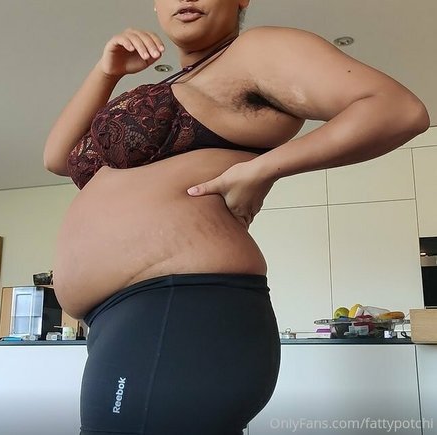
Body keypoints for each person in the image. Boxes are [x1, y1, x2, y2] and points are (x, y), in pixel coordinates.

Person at [44, 1, 429, 434]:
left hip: (181, 305)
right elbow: (59, 158)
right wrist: (107, 71)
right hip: (128, 318)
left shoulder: (254, 51)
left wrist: (264, 169)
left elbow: (397, 109)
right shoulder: (178, 80)